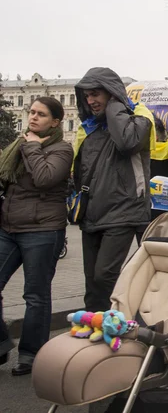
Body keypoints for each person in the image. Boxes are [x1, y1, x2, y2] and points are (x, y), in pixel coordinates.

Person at [0, 97, 73, 376]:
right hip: (8, 227)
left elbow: (44, 177)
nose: (33, 118)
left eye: (41, 114)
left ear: (55, 122)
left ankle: (31, 354)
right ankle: (2, 343)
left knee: (36, 295)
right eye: (31, 112)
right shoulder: (17, 146)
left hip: (42, 230)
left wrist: (31, 146)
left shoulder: (62, 149)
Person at [73, 67, 154, 312]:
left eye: (96, 94)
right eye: (87, 96)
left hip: (124, 212)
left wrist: (115, 107)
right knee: (92, 282)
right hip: (92, 215)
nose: (90, 101)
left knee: (104, 277)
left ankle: (121, 323)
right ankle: (93, 328)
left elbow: (127, 143)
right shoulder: (89, 128)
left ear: (112, 93)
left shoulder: (140, 119)